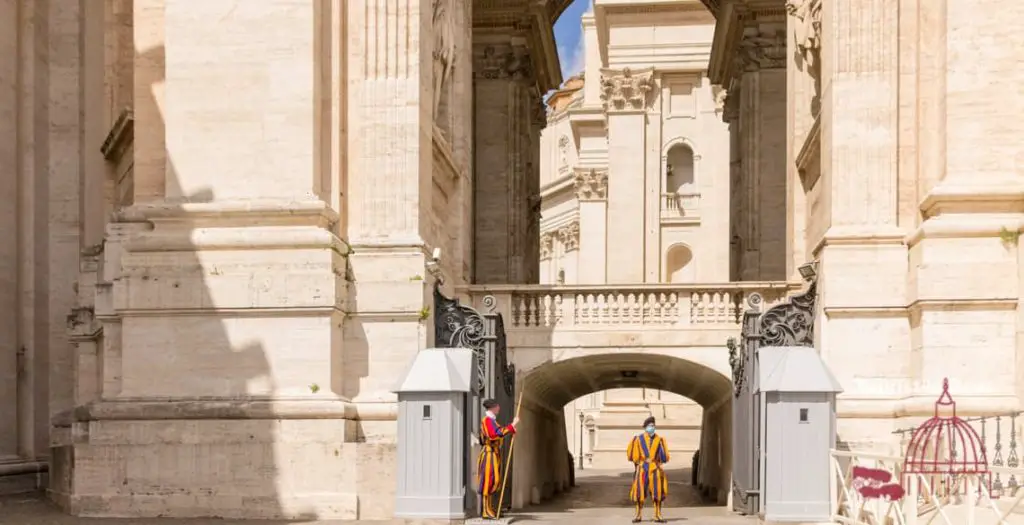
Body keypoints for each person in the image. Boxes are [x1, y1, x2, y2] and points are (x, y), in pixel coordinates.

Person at [478, 398, 519, 519]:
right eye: (497, 406)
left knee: (494, 481)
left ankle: (489, 507)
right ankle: (485, 510)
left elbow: (500, 432)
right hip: (488, 454)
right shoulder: (487, 420)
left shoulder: (492, 421)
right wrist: (512, 425)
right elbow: (494, 434)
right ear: (492, 408)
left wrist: (510, 430)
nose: (499, 408)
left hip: (494, 454)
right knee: (488, 482)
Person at [626, 416, 670, 523]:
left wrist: (658, 462)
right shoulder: (638, 439)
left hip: (655, 468)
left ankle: (657, 515)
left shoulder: (659, 440)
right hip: (643, 469)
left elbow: (664, 457)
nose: (652, 427)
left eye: (653, 426)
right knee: (639, 492)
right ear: (645, 427)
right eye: (650, 426)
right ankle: (638, 515)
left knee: (657, 492)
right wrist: (639, 464)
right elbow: (633, 456)